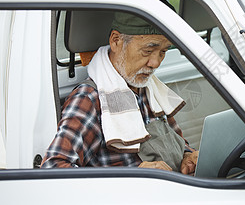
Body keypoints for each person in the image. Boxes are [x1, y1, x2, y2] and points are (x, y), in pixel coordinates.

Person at [41, 11, 199, 175]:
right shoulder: (90, 98)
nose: (155, 63)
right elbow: (54, 168)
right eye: (147, 51)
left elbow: (176, 141)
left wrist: (187, 155)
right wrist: (130, 176)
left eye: (163, 52)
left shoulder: (149, 87)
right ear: (116, 41)